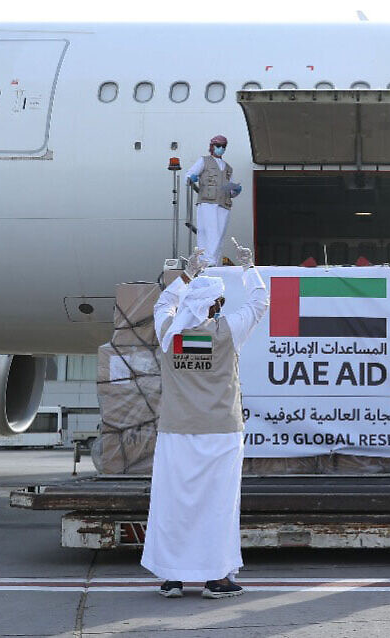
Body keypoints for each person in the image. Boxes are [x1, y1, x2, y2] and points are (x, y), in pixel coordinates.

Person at [143, 240, 268, 599]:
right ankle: (217, 579)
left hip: (176, 433)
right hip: (220, 434)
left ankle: (172, 578)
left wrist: (188, 273)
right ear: (216, 304)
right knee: (217, 506)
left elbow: (164, 302)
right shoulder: (227, 331)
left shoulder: (169, 333)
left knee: (173, 503)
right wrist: (249, 270)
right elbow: (260, 304)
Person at [186, 135, 242, 266]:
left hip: (224, 204)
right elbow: (189, 175)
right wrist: (192, 178)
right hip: (208, 202)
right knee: (209, 231)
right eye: (218, 146)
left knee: (220, 235)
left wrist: (236, 190)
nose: (220, 149)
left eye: (223, 147)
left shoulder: (228, 168)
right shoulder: (204, 161)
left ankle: (215, 262)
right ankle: (206, 260)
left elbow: (231, 189)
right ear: (212, 147)